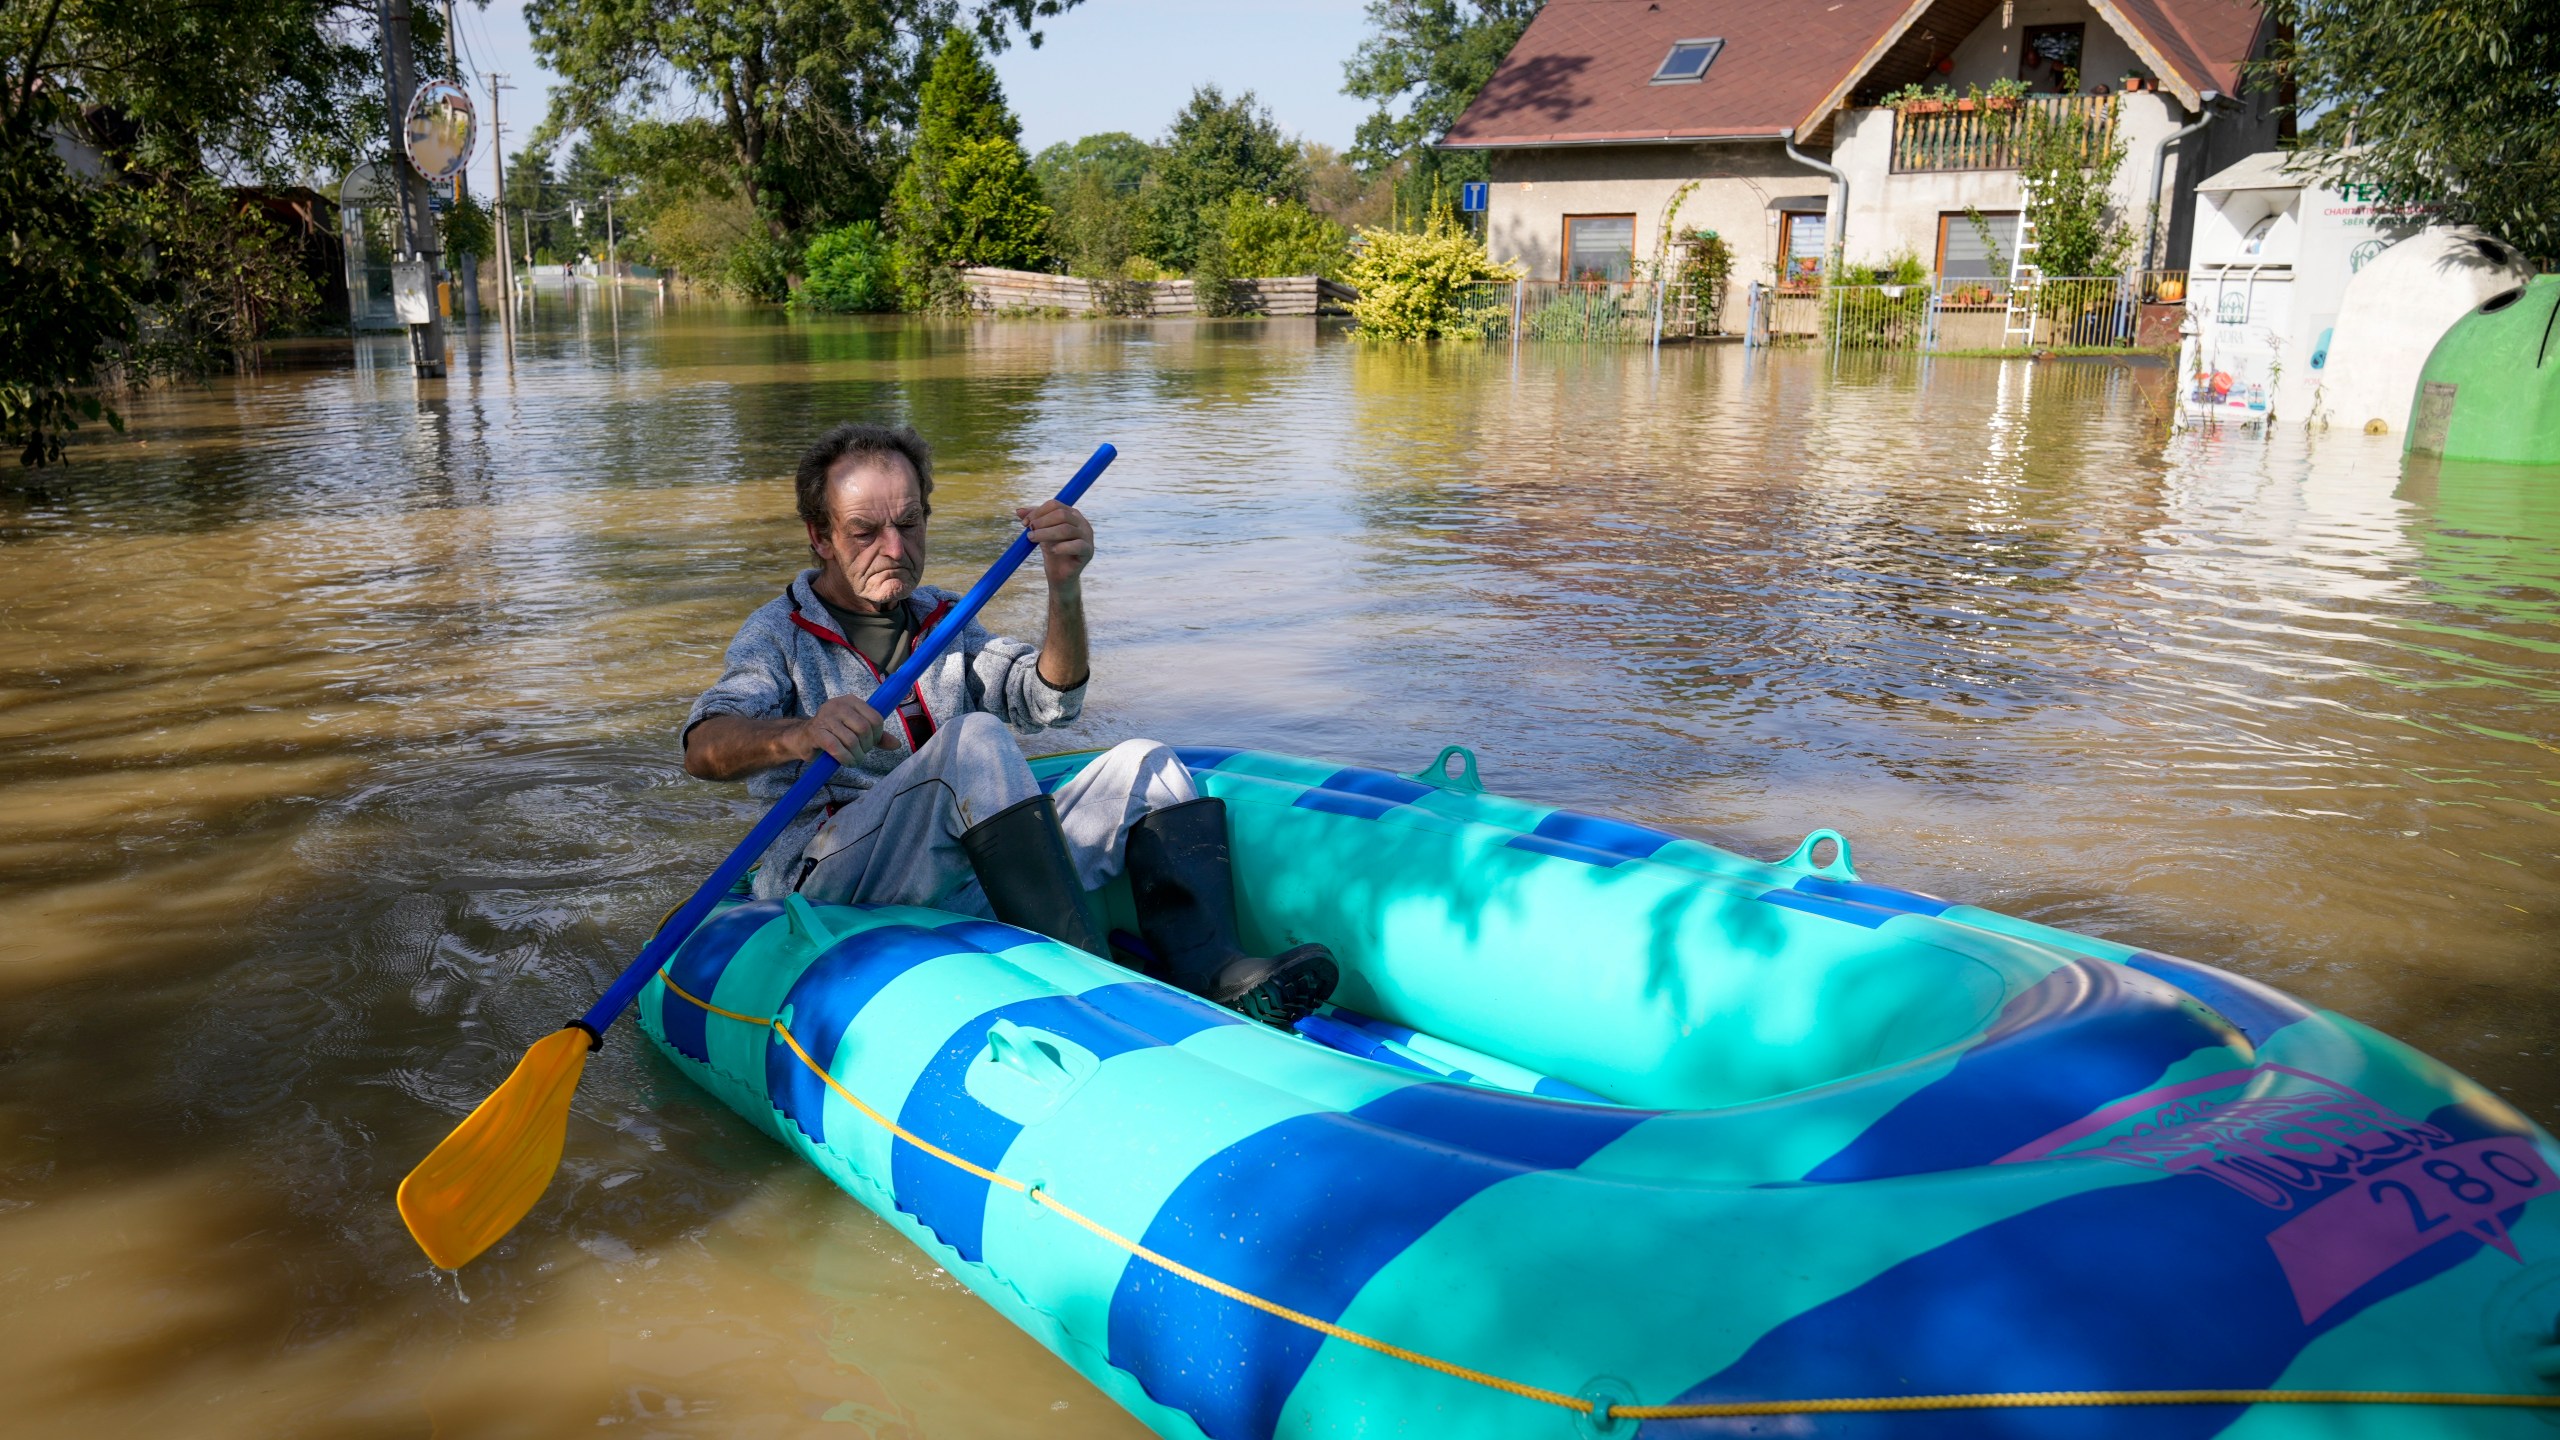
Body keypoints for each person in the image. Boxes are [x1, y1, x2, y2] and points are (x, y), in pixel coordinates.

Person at [681, 422, 1336, 1025]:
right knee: (975, 742)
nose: (895, 548)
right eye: (864, 531)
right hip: (834, 881)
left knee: (1146, 764)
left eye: (910, 524)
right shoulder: (777, 635)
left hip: (963, 870)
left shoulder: (946, 618)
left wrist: (1065, 585)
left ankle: (1215, 971)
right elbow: (703, 746)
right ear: (819, 537)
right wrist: (796, 733)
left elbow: (1050, 700)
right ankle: (1088, 988)